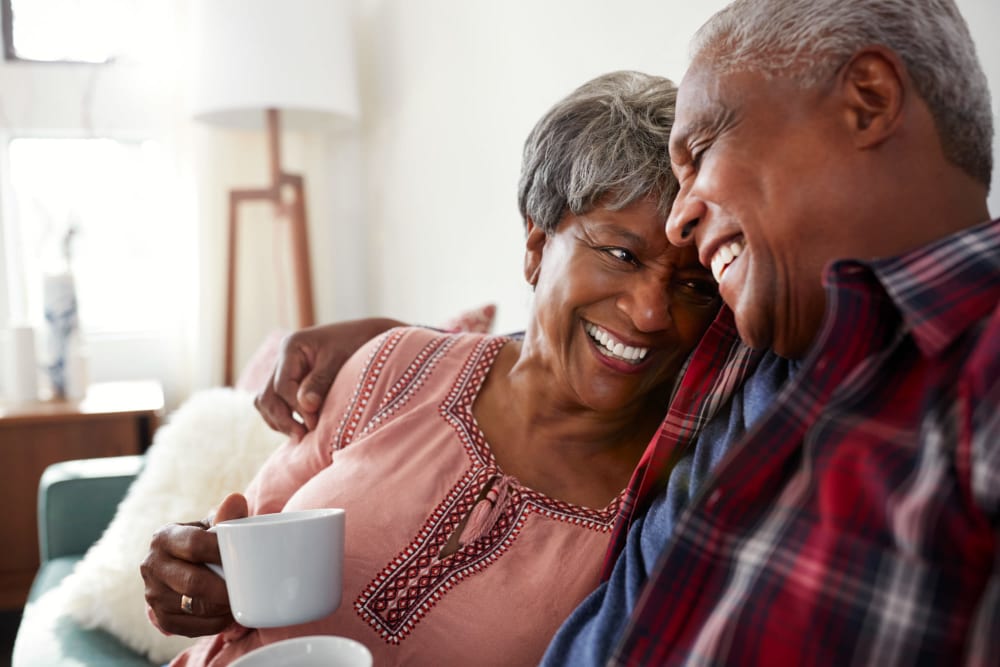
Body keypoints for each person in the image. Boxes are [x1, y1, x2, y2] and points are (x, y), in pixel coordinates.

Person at [260, 1, 999, 664]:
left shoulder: (966, 378)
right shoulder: (756, 358)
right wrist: (388, 348)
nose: (682, 218)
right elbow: (546, 357)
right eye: (622, 250)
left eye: (702, 148)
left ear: (867, 101)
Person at [141, 71, 725, 666]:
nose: (653, 312)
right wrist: (189, 576)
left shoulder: (664, 507)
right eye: (621, 254)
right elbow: (236, 544)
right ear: (536, 243)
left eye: (694, 285)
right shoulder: (394, 365)